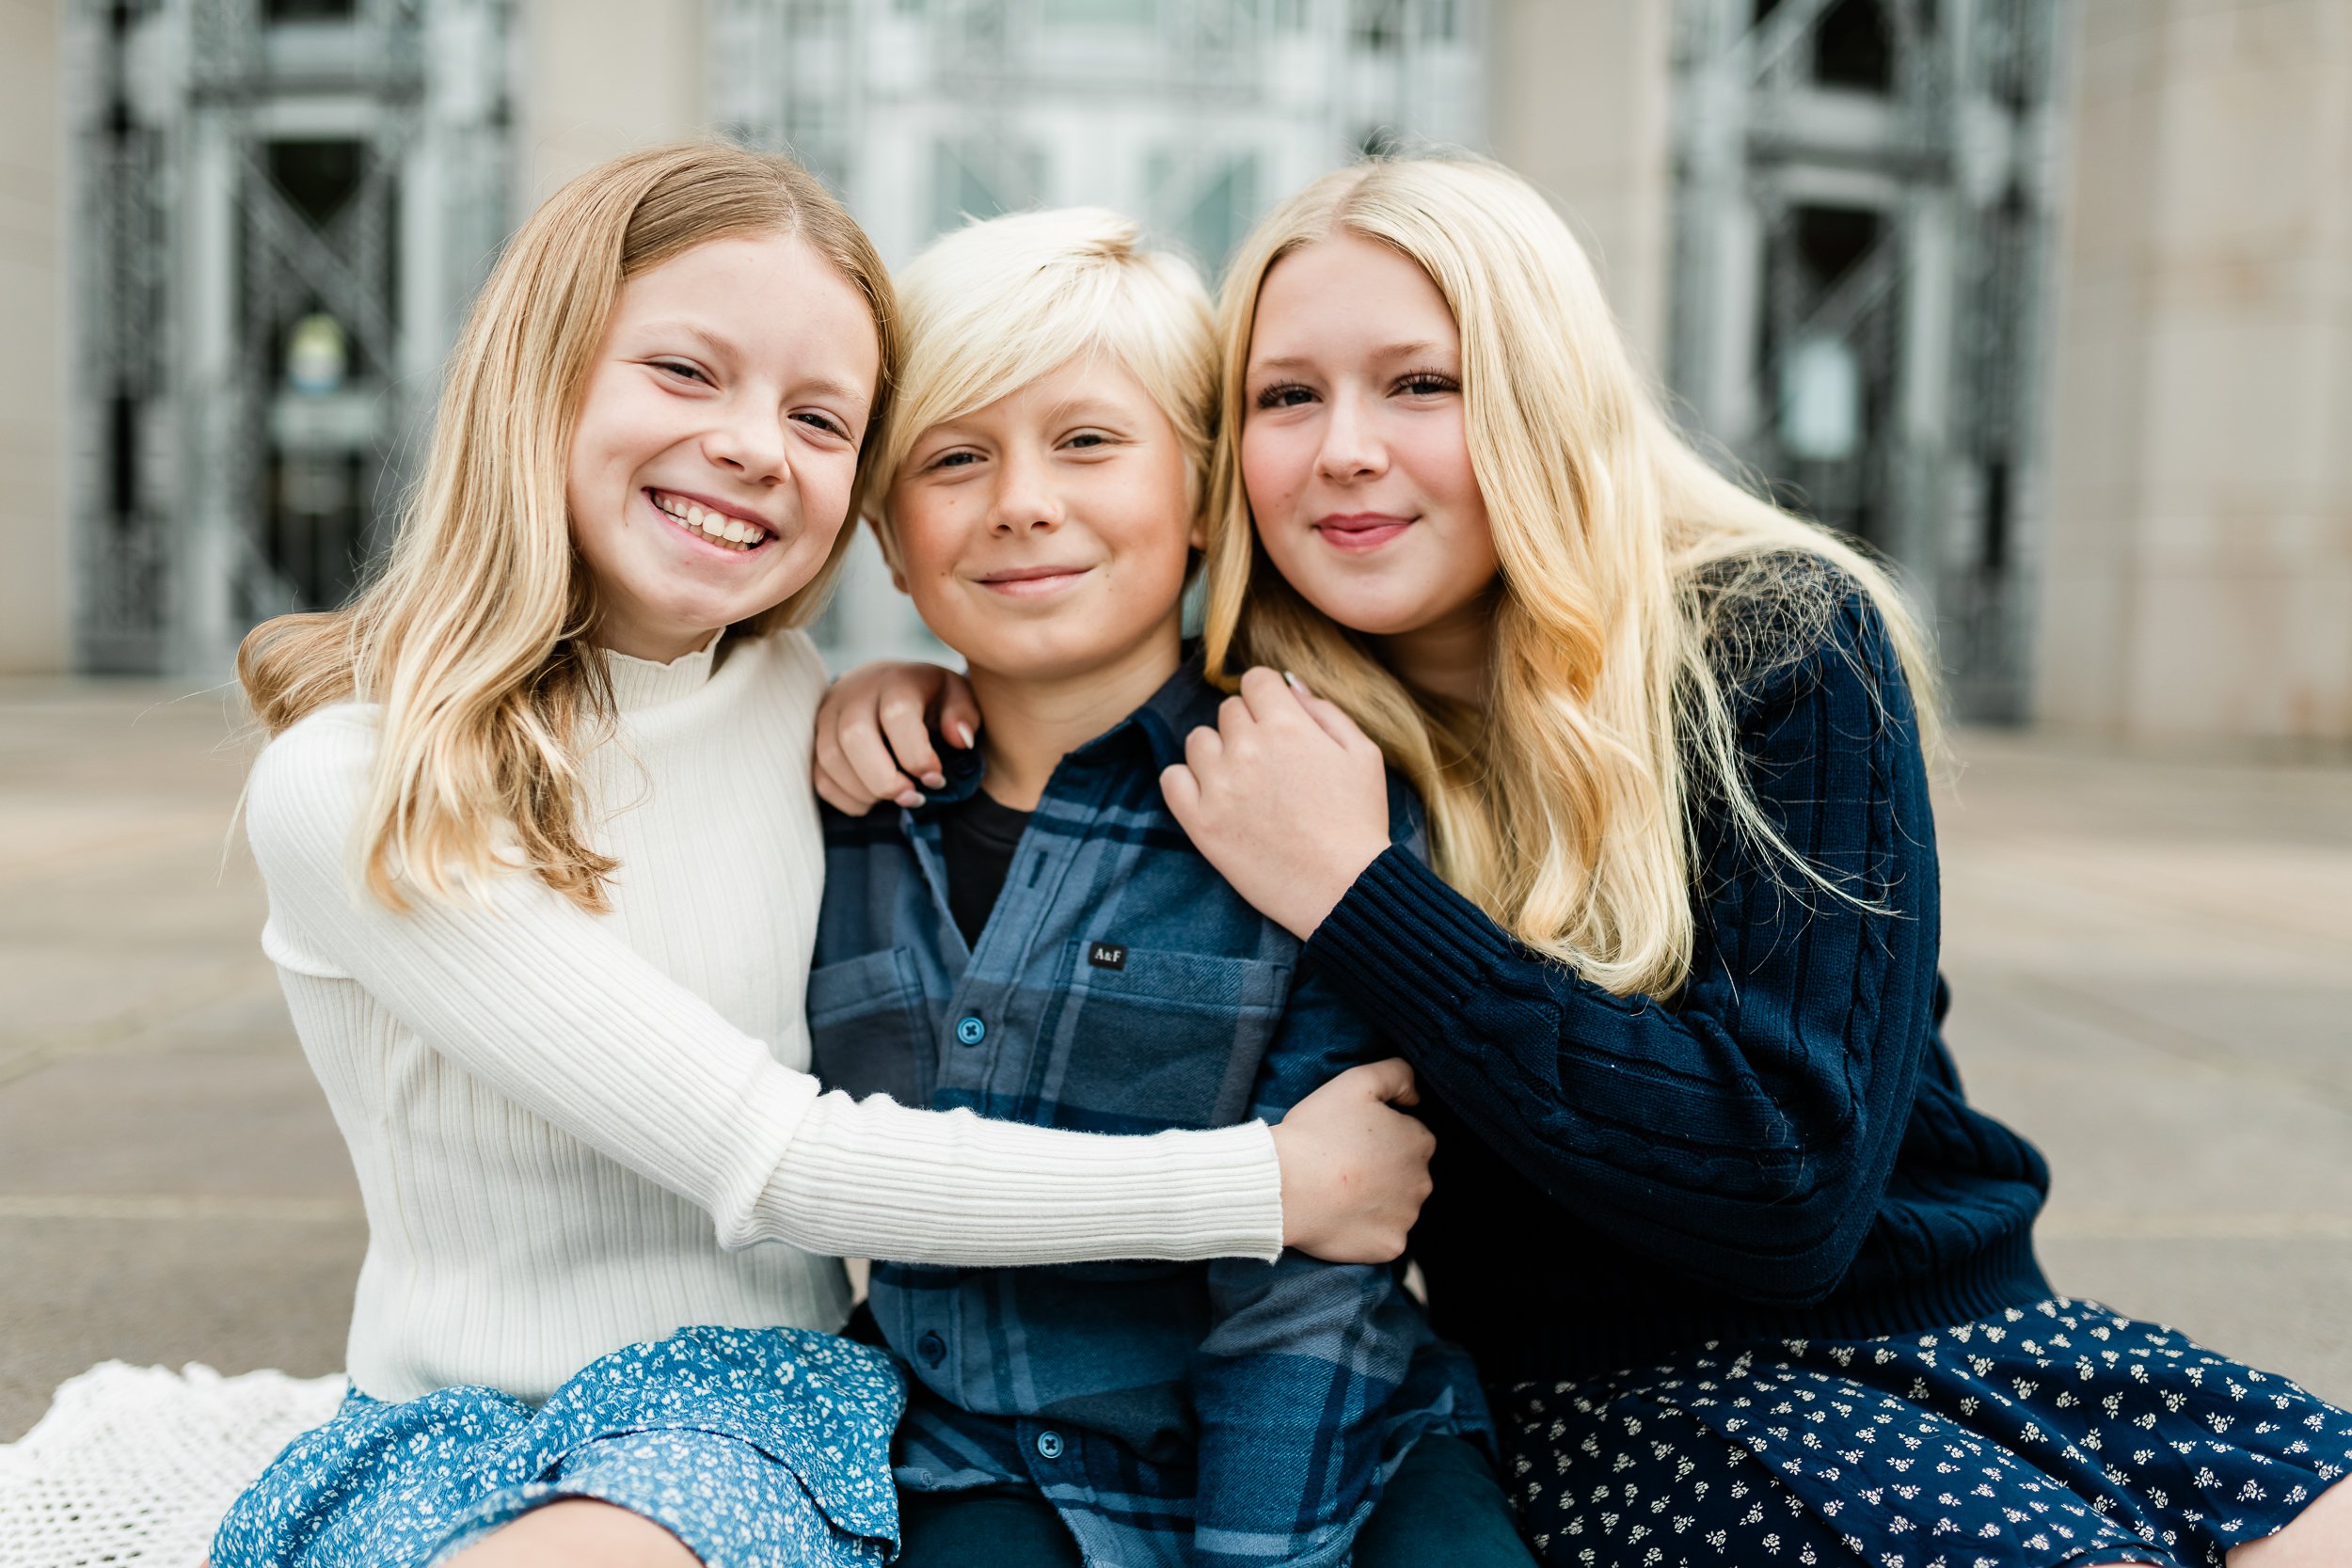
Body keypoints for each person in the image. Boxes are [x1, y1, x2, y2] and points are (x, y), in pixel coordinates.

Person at [814, 156, 2352, 1568]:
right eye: (1288, 397)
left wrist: (1365, 897)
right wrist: (895, 690)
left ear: (1539, 397)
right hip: (1639, 1407)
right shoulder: (1268, 719)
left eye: (1422, 383)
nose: (1347, 452)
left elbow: (1791, 1190)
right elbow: (1058, 677)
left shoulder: (1772, 639)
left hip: (1973, 1333)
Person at [210, 144, 1438, 1568]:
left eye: (817, 416)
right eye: (686, 372)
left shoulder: (822, 714)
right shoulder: (356, 783)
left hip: (748, 1414)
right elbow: (769, 1156)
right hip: (445, 1421)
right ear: (538, 375)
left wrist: (888, 687)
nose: (750, 444)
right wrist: (1264, 1186)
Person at [806, 207, 1530, 1568]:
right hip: (978, 1450)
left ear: (1203, 497)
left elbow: (1320, 1271)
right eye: (955, 458)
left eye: (1087, 441)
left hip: (1334, 1445)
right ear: (888, 544)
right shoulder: (842, 816)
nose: (1023, 498)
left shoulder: (1304, 793)